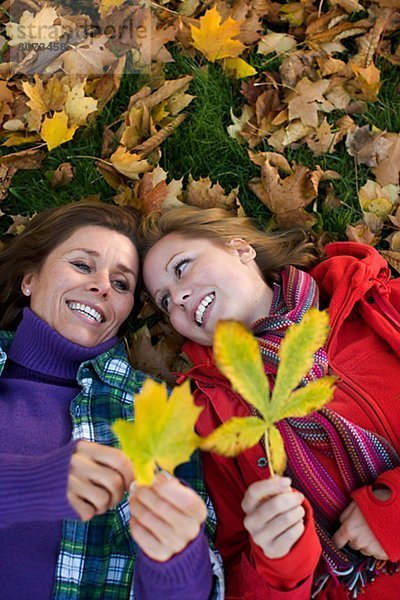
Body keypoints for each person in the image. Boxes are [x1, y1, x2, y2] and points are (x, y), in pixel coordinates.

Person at [138, 205, 400, 600]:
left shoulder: (372, 302)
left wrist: (390, 514)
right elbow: (239, 575)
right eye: (164, 302)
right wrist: (280, 562)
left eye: (182, 268)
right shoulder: (213, 420)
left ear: (240, 249)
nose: (178, 299)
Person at [0, 201, 224, 600]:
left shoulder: (153, 410)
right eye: (84, 266)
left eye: (121, 285)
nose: (103, 285)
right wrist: (29, 485)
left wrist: (176, 556)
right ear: (29, 278)